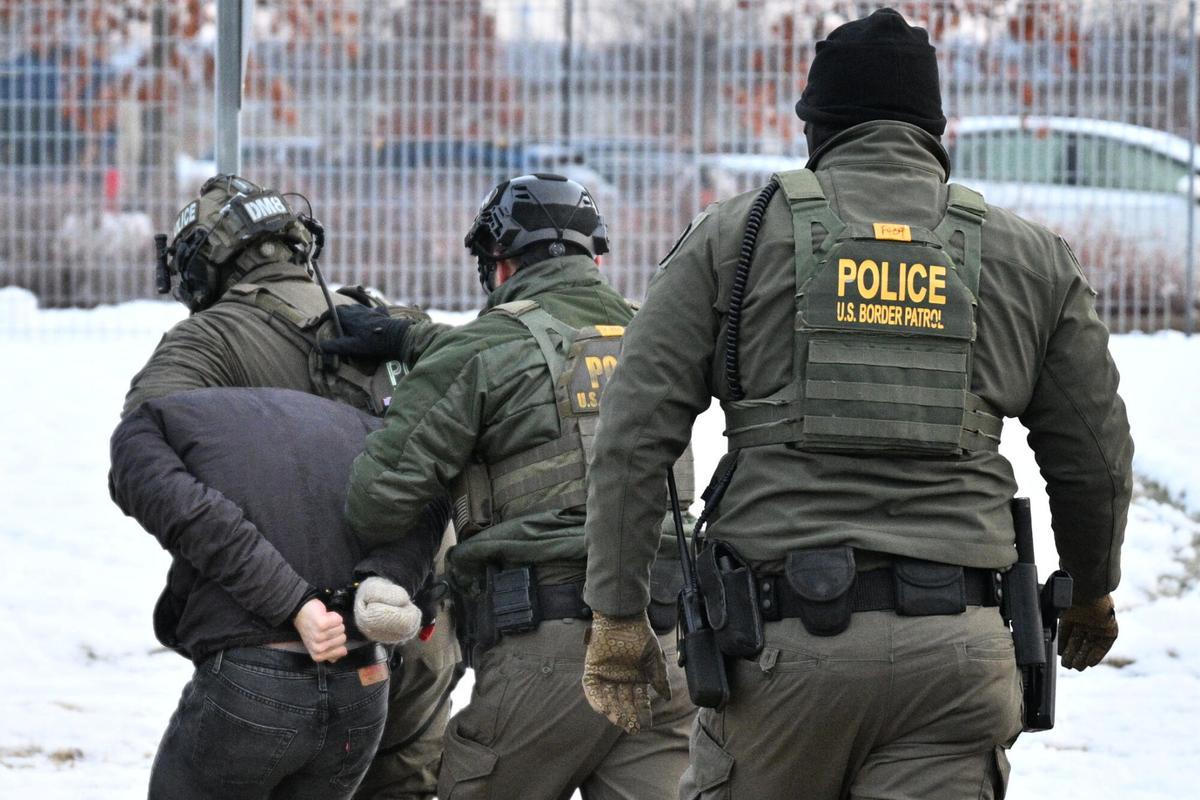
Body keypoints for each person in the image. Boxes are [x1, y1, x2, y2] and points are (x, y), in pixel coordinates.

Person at [578, 8, 1134, 800]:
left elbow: (634, 438)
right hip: (959, 659)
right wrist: (1092, 589)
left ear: (817, 129)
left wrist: (617, 616)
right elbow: (1097, 458)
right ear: (935, 129)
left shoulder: (736, 238)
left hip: (781, 659)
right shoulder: (1031, 258)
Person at [331, 173, 696, 799]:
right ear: (596, 258)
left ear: (498, 268)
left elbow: (376, 500)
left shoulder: (480, 350)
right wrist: (419, 339)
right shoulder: (656, 334)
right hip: (669, 641)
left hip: (553, 650)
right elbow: (553, 351)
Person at [122, 174, 460, 800]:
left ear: (204, 264)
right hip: (416, 616)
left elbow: (144, 448)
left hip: (295, 634)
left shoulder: (210, 338)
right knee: (406, 782)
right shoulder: (387, 323)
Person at [109, 387, 447, 799]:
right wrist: (388, 581)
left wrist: (295, 604)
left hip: (255, 685)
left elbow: (199, 519)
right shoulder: (361, 424)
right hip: (365, 681)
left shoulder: (141, 432)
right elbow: (429, 495)